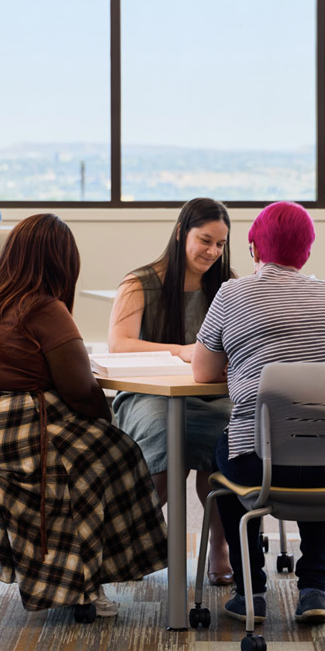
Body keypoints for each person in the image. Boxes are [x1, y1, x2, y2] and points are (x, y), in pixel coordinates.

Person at [0, 213, 168, 617]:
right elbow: (80, 390)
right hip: (12, 432)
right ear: (61, 263)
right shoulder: (43, 308)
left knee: (83, 455)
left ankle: (74, 578)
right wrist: (108, 422)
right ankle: (84, 583)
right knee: (114, 452)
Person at [192, 201, 325, 626]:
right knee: (323, 439)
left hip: (267, 468)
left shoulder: (232, 293)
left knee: (221, 460)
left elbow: (203, 371)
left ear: (253, 249)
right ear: (307, 253)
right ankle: (314, 587)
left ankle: (251, 592)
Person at [108, 197, 235, 584]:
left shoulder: (228, 286)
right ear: (182, 233)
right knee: (166, 439)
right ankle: (133, 544)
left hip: (212, 396)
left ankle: (220, 545)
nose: (213, 251)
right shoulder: (140, 282)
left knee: (226, 443)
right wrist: (179, 351)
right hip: (149, 396)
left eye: (220, 244)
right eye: (205, 240)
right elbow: (120, 344)